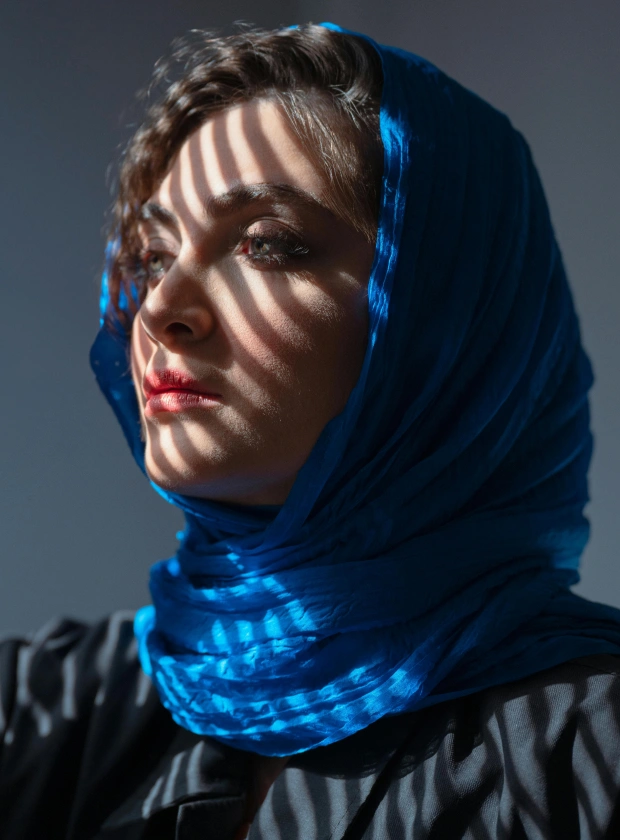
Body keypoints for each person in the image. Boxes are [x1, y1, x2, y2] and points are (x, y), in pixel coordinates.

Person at [2, 21, 620, 840]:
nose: (160, 309)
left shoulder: (585, 748)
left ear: (443, 316)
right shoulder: (59, 702)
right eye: (153, 257)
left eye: (267, 244)